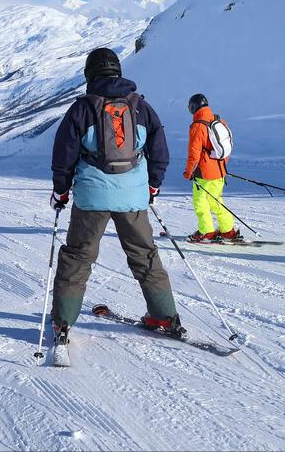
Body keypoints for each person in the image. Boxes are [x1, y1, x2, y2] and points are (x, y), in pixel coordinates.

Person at [48, 47, 181, 356]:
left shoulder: (82, 109)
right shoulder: (141, 107)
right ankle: (163, 315)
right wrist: (153, 185)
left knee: (78, 258)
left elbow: (64, 155)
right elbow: (159, 151)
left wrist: (61, 190)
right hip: (133, 196)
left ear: (89, 74)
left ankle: (63, 322)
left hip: (92, 198)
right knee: (145, 255)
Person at [182, 94, 238, 243]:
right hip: (219, 171)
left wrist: (188, 172)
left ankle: (207, 232)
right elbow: (225, 146)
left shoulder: (198, 126)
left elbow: (194, 153)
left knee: (200, 203)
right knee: (216, 201)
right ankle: (227, 231)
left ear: (194, 107)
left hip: (204, 173)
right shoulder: (218, 120)